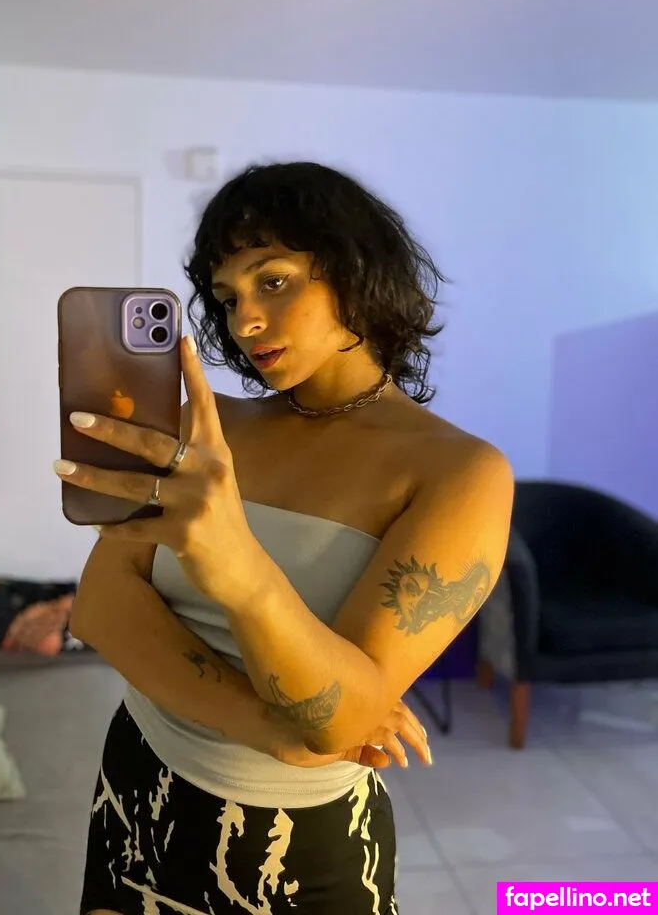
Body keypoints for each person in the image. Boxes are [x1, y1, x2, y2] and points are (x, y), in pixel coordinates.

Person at [55, 162, 514, 915]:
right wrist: (274, 727)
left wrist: (238, 570)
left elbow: (342, 721)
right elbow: (101, 607)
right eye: (227, 296)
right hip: (137, 780)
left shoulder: (459, 472)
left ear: (356, 269)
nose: (244, 322)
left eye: (272, 281)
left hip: (293, 849)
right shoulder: (210, 427)